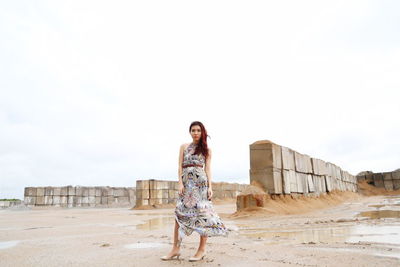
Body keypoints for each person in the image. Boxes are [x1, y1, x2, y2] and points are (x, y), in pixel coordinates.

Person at [161, 121, 228, 262]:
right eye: (193, 130)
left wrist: (210, 187)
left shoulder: (207, 150)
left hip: (201, 185)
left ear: (202, 132)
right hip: (186, 185)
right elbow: (179, 167)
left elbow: (208, 169)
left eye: (198, 130)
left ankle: (202, 250)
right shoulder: (183, 147)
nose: (195, 132)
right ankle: (175, 248)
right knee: (178, 214)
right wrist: (180, 183)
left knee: (202, 215)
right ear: (190, 132)